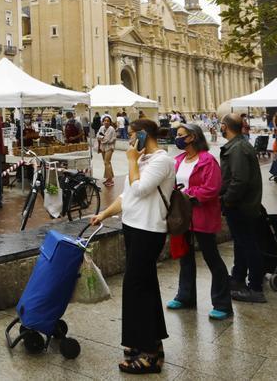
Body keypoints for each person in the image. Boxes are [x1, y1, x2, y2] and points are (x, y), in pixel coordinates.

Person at [89, 118, 174, 373]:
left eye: (133, 133)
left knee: (137, 287)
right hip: (134, 227)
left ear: (144, 134)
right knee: (143, 287)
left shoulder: (162, 160)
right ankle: (149, 343)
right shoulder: (143, 161)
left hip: (149, 230)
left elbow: (140, 189)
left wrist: (129, 160)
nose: (130, 137)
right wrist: (104, 214)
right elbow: (127, 196)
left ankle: (148, 353)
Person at [168, 123, 232, 321]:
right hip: (182, 217)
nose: (177, 138)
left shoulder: (207, 160)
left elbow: (212, 188)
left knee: (211, 257)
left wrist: (187, 195)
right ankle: (185, 296)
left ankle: (222, 303)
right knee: (185, 257)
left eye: (181, 135)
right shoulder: (178, 160)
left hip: (201, 215)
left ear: (192, 137)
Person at [219, 113, 266, 304]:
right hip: (243, 204)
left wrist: (227, 200)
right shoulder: (239, 145)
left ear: (226, 126)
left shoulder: (237, 148)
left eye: (221, 124)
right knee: (241, 242)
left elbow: (239, 180)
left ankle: (255, 287)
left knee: (248, 244)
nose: (220, 127)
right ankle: (238, 277)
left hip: (241, 205)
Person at [96, 116, 117, 187]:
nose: (106, 122)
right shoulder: (101, 128)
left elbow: (110, 140)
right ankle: (109, 178)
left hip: (109, 147)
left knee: (107, 162)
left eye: (108, 121)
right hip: (103, 147)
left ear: (110, 122)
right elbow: (97, 136)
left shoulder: (112, 129)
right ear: (103, 121)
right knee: (106, 163)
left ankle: (110, 180)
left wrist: (103, 139)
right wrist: (103, 138)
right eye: (105, 120)